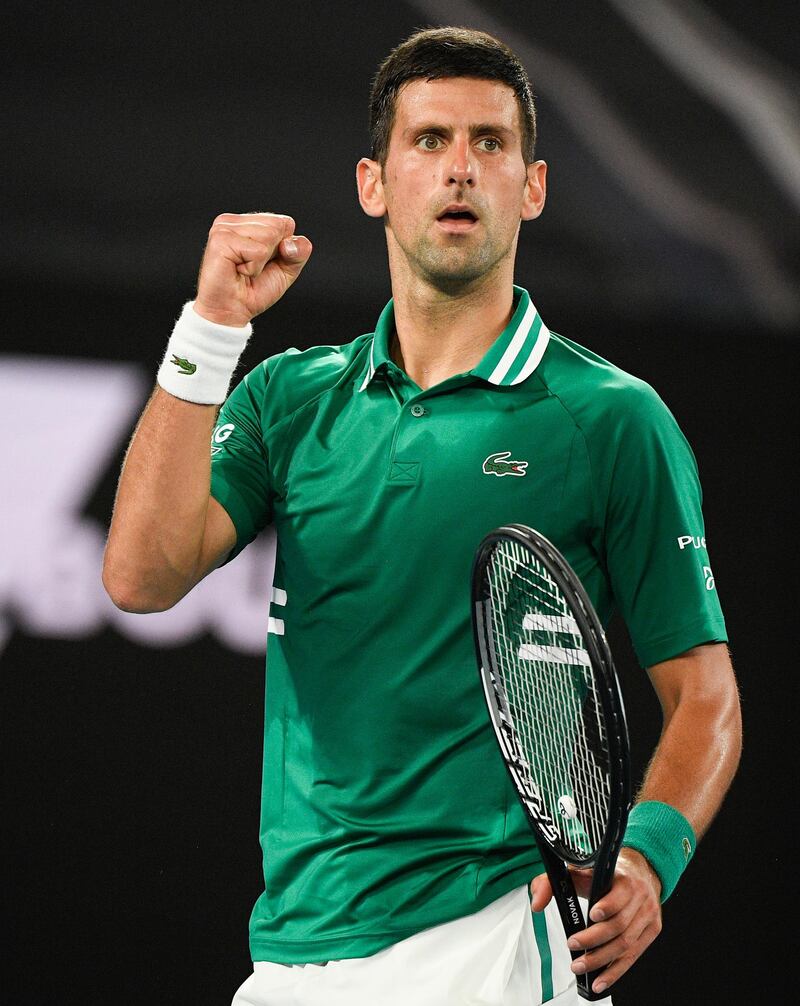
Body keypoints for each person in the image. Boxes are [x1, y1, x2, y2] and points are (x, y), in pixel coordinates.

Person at [102, 26, 742, 1006]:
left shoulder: (612, 419)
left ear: (530, 187)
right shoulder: (287, 399)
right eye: (429, 139)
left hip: (495, 942)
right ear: (373, 181)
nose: (458, 168)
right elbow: (139, 576)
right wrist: (209, 333)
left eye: (489, 143)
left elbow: (704, 695)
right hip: (293, 952)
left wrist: (646, 860)